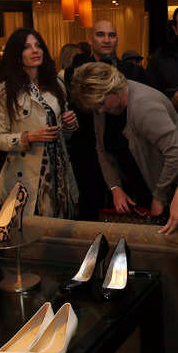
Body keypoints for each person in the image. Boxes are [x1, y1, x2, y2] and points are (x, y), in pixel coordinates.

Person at [70, 61, 178, 230]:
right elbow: (102, 150)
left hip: (171, 192)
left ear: (113, 89)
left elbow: (177, 153)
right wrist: (115, 187)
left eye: (101, 104)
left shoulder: (144, 106)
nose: (99, 111)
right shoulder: (103, 104)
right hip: (141, 191)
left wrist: (159, 197)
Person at [0, 28, 78, 218]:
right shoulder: (6, 90)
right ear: (17, 55)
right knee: (28, 234)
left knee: (60, 233)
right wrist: (29, 137)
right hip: (26, 175)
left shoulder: (56, 84)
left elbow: (64, 135)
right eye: (27, 47)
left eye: (38, 46)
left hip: (60, 175)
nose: (35, 50)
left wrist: (69, 124)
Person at [63, 20, 147, 221]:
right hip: (88, 151)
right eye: (101, 35)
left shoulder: (132, 71)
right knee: (91, 208)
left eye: (112, 35)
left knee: (130, 211)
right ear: (91, 39)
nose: (107, 40)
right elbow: (75, 107)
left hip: (126, 151)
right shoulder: (75, 70)